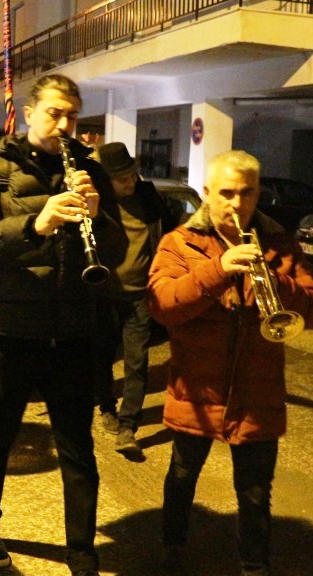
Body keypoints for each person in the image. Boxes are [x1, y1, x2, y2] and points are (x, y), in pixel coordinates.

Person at [0, 74, 128, 576]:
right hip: (9, 328)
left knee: (77, 446)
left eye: (72, 115)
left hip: (72, 328)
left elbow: (117, 250)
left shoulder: (88, 170)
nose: (64, 124)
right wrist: (36, 224)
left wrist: (98, 216)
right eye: (54, 113)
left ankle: (82, 549)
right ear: (29, 113)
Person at [147, 150, 313, 576]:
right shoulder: (180, 242)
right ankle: (173, 545)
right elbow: (163, 305)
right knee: (182, 476)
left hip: (257, 388)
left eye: (247, 193)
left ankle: (254, 564)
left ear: (257, 193)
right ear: (208, 193)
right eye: (226, 193)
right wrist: (218, 269)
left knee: (255, 490)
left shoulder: (279, 243)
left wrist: (276, 281)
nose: (237, 203)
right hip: (197, 386)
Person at [91, 141, 179, 455]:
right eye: (121, 178)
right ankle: (106, 407)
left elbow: (169, 236)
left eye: (132, 175)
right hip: (105, 296)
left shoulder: (148, 198)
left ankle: (128, 426)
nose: (130, 182)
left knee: (137, 362)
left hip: (141, 295)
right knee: (102, 358)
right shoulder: (97, 204)